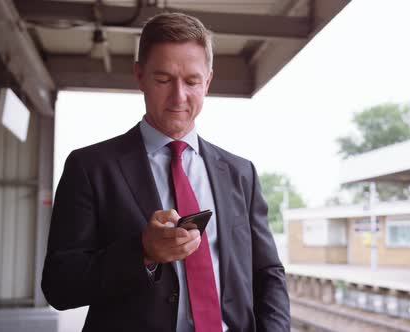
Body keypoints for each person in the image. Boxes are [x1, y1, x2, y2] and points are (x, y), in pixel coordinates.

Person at [41, 12, 290, 332]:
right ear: (140, 76)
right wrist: (142, 252)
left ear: (208, 81)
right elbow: (60, 286)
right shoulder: (90, 168)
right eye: (163, 80)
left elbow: (268, 273)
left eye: (192, 81)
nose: (178, 97)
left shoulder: (241, 173)